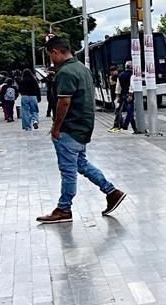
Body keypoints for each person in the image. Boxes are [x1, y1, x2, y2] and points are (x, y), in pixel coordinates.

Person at [37, 37, 126, 224]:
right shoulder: (82, 69)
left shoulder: (66, 72)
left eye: (50, 56)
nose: (51, 60)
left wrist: (56, 127)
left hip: (69, 128)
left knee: (68, 171)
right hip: (83, 127)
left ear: (55, 52)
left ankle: (64, 208)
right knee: (81, 164)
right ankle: (111, 191)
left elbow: (64, 101)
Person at [110, 61, 134, 133]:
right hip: (129, 95)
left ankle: (134, 126)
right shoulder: (132, 75)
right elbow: (132, 85)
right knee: (130, 111)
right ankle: (125, 124)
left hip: (122, 94)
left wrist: (117, 97)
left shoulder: (120, 75)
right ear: (131, 67)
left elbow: (118, 87)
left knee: (123, 110)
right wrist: (130, 94)